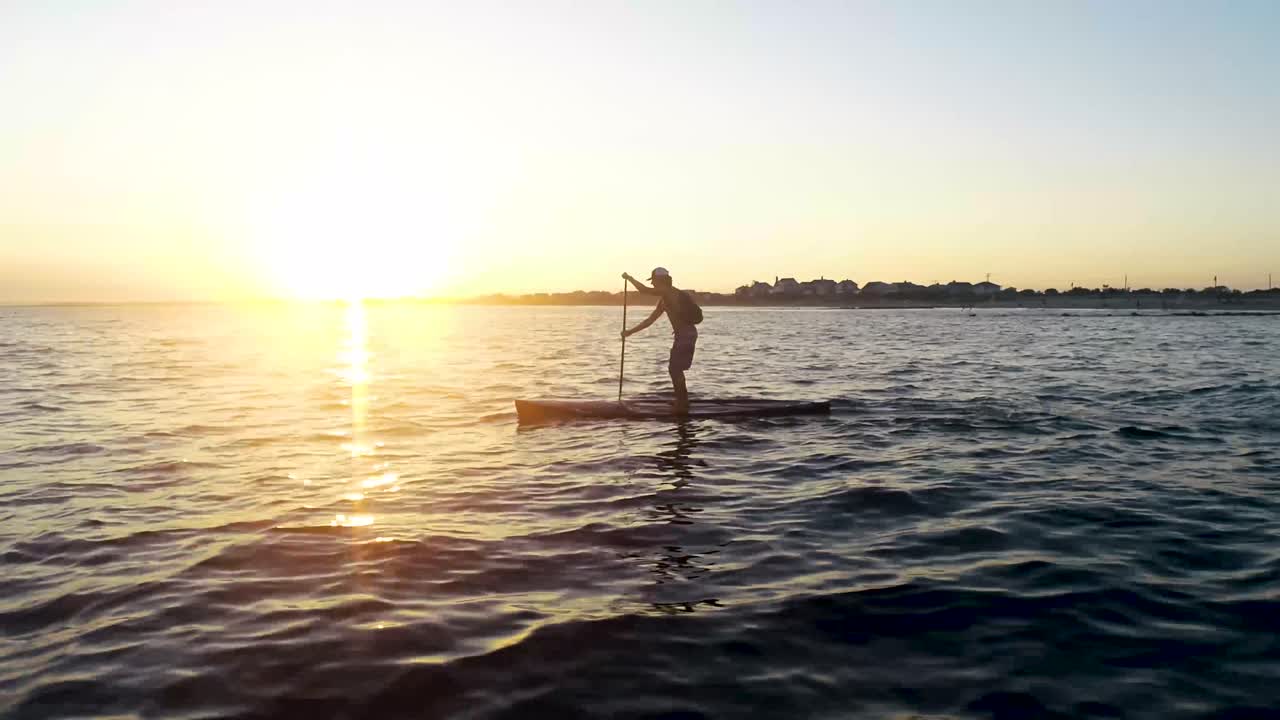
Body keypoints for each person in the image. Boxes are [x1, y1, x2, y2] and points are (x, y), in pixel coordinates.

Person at [621, 267, 698, 414]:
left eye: (654, 281)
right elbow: (650, 320)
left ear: (660, 280)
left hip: (686, 335)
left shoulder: (669, 291)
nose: (653, 285)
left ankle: (682, 404)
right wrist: (629, 332)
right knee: (675, 369)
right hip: (684, 335)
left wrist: (629, 278)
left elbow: (643, 290)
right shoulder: (664, 300)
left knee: (675, 369)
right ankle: (682, 400)